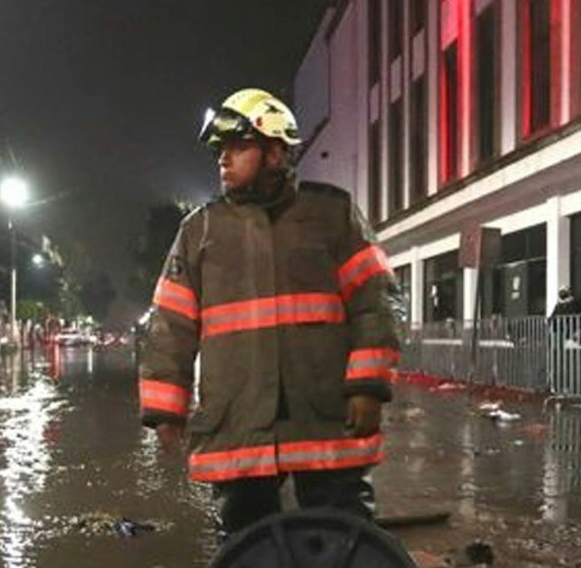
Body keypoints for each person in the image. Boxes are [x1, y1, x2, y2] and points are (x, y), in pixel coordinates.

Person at [138, 88, 401, 543]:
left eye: (238, 147)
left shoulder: (331, 213)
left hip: (324, 414)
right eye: (220, 151)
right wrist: (166, 410)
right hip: (238, 421)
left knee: (346, 540)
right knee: (245, 548)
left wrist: (367, 387)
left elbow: (375, 299)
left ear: (275, 152)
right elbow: (170, 324)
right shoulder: (199, 230)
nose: (223, 160)